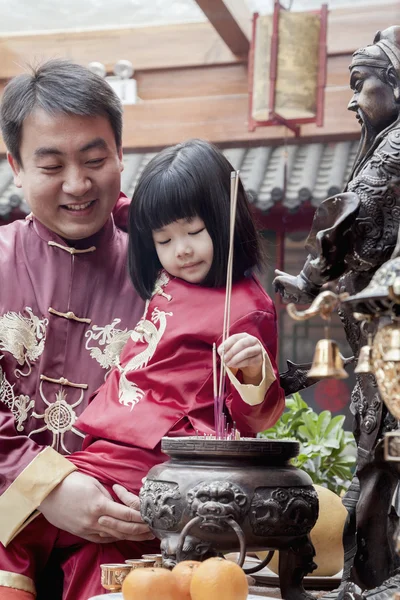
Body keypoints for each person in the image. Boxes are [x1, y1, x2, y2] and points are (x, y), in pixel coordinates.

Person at [0, 138, 285, 600]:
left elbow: (254, 417)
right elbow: (131, 212)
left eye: (194, 231)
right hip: (111, 446)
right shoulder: (167, 274)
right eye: (164, 240)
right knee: (61, 536)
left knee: (18, 521)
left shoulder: (247, 307)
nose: (182, 250)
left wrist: (253, 373)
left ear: (223, 219)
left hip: (161, 453)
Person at [0, 59, 157, 599]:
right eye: (51, 166)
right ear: (15, 166)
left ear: (120, 153)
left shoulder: (165, 273)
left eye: (95, 159)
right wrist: (45, 487)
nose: (77, 184)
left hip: (122, 535)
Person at [274, 26, 400, 594]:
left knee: (378, 460)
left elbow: (348, 216)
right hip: (380, 335)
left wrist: (305, 280)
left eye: (360, 84)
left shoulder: (393, 149)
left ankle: (371, 577)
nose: (352, 101)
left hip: (390, 342)